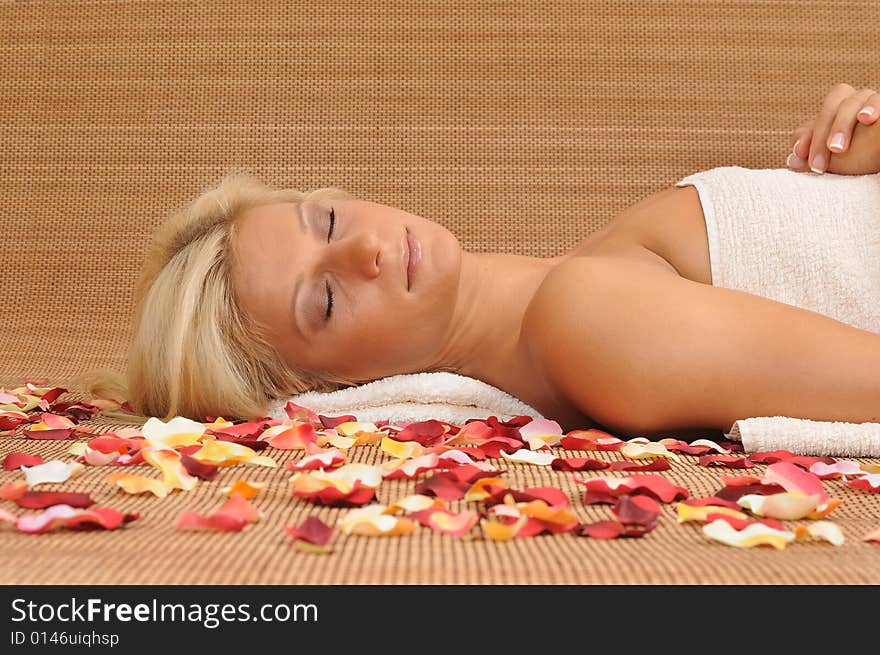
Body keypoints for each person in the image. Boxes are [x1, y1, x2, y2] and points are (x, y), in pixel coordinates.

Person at [75, 83, 880, 439]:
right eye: (321, 302)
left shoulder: (585, 277)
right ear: (329, 394)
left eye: (325, 218)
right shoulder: (588, 319)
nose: (363, 247)